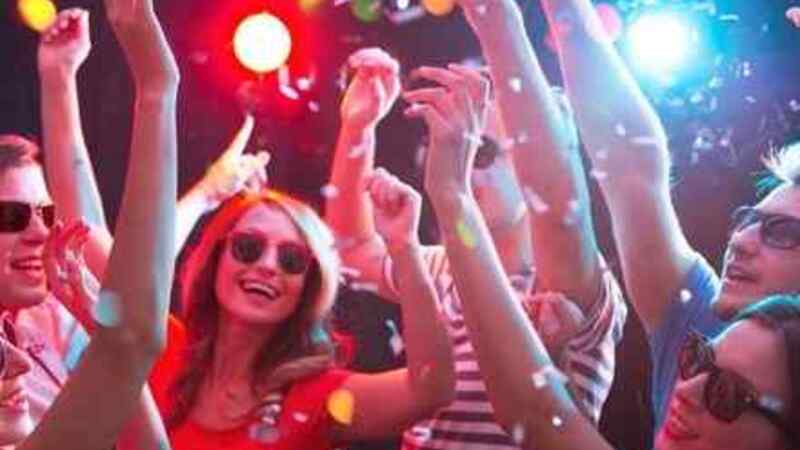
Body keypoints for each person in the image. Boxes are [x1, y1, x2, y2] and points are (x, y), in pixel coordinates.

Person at [326, 29, 625, 450]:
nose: (460, 168)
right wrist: (359, 126)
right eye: (452, 150)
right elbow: (352, 251)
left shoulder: (571, 284)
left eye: (478, 152)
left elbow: (560, 216)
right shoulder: (444, 266)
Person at [533, 0, 800, 431]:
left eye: (782, 232)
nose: (740, 240)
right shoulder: (697, 325)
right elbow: (630, 167)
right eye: (746, 220)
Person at [149, 176, 455, 448]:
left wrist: (403, 246)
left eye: (291, 259)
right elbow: (130, 279)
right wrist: (206, 194)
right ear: (216, 260)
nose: (267, 265)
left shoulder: (316, 398)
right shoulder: (161, 352)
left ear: (309, 287)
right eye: (248, 246)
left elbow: (430, 389)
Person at [0, 0, 180, 446]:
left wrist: (60, 79)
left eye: (45, 214)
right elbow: (133, 341)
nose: (41, 232)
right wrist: (156, 89)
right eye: (11, 216)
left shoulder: (38, 324)